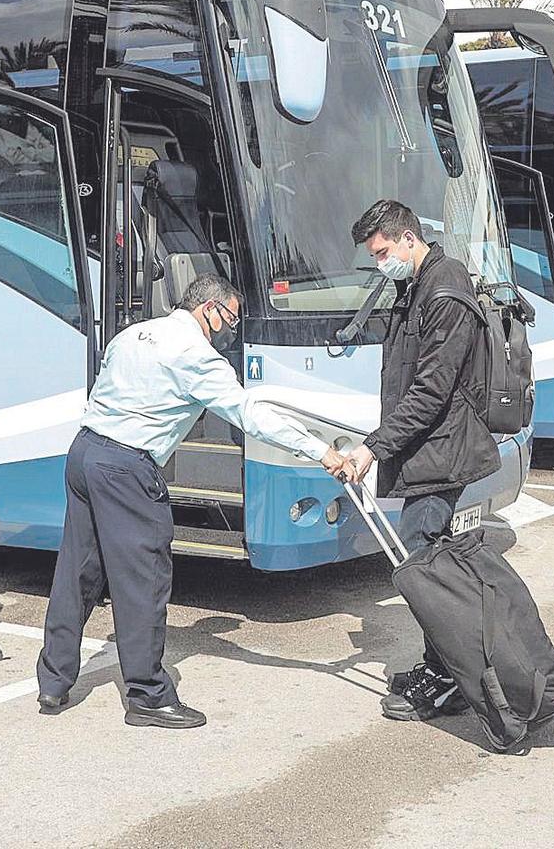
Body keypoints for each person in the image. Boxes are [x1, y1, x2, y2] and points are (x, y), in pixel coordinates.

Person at [36, 274, 347, 728]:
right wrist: (321, 450)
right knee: (144, 579)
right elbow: (249, 415)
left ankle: (53, 680)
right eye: (231, 320)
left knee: (77, 570)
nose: (231, 332)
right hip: (127, 467)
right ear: (209, 310)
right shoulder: (196, 356)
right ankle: (147, 695)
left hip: (85, 452)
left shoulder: (132, 334)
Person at [343, 200, 554, 725]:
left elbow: (431, 392)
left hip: (440, 454)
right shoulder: (419, 283)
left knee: (428, 573)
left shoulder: (443, 291)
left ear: (408, 238)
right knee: (432, 568)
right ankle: (441, 666)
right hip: (430, 451)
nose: (381, 263)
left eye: (383, 252)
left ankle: (449, 677)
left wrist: (372, 447)